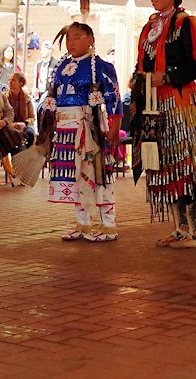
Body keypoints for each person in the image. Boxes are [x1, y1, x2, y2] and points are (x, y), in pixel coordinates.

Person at [131, 0, 196, 248]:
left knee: (186, 162)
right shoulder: (150, 26)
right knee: (161, 163)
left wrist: (167, 77)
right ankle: (179, 226)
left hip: (179, 104)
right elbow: (142, 64)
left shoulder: (187, 23)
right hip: (152, 105)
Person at [42, 23, 123, 242]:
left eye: (77, 38)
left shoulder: (102, 66)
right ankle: (83, 225)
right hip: (65, 131)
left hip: (91, 129)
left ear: (91, 40)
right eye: (68, 39)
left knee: (98, 175)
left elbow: (114, 98)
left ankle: (109, 227)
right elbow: (51, 98)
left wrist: (114, 128)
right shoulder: (61, 66)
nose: (71, 43)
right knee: (75, 178)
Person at [6, 72, 36, 147]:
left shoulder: (27, 98)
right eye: (9, 80)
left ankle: (26, 155)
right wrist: (10, 124)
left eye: (13, 80)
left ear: (20, 83)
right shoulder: (4, 98)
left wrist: (25, 123)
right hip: (9, 125)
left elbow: (32, 117)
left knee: (30, 133)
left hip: (24, 124)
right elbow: (1, 115)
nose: (10, 82)